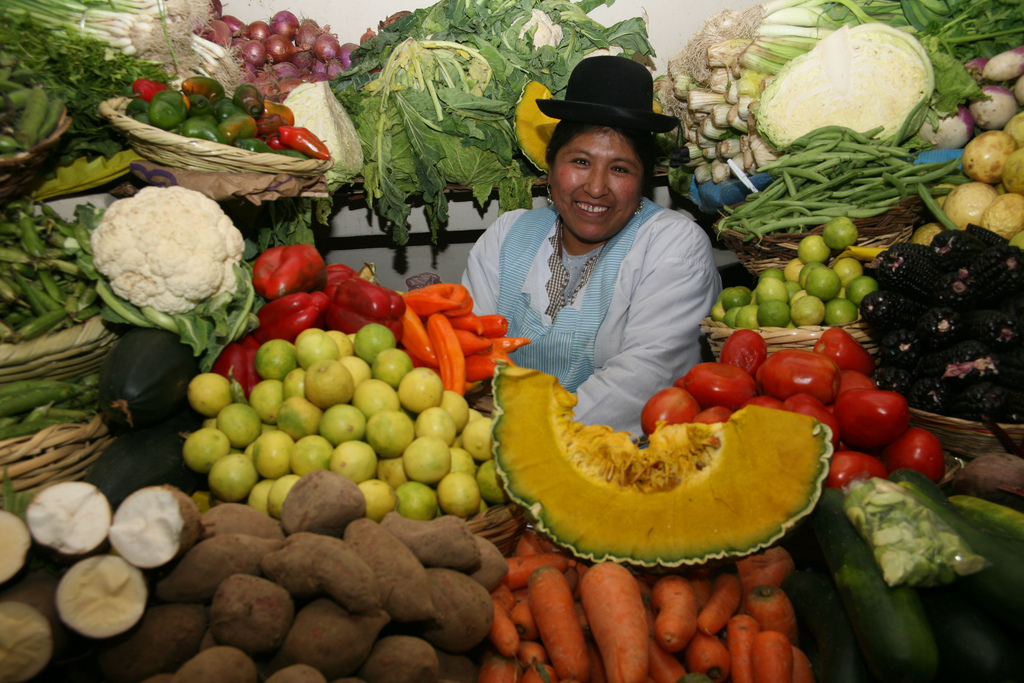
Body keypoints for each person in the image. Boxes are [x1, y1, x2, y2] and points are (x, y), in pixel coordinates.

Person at [462, 55, 722, 434]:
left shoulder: (672, 245)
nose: (596, 187)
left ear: (644, 180)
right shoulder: (507, 235)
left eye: (620, 168)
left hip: (616, 463)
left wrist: (531, 436)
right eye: (580, 161)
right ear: (550, 167)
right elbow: (469, 353)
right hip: (492, 447)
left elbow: (644, 379)